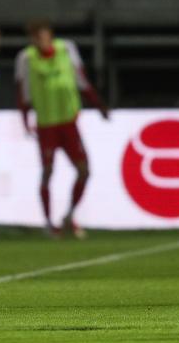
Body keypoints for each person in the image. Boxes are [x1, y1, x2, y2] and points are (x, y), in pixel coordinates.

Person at [14, 20, 109, 239]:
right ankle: (48, 224)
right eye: (35, 36)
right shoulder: (26, 58)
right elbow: (23, 92)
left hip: (68, 122)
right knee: (47, 172)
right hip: (46, 125)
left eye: (42, 35)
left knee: (84, 171)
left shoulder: (66, 49)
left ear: (50, 35)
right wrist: (25, 118)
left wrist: (98, 104)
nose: (39, 40)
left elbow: (81, 80)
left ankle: (69, 217)